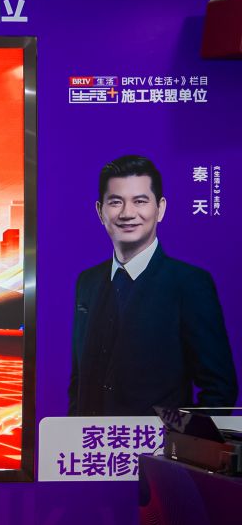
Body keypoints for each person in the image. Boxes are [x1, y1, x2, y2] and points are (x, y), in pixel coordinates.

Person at [69, 155, 236, 416]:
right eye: (116, 202)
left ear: (160, 208)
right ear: (100, 211)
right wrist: (72, 432)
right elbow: (79, 380)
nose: (127, 213)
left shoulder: (190, 283)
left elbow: (219, 390)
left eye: (140, 201)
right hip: (93, 440)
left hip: (157, 441)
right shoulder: (87, 281)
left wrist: (177, 439)